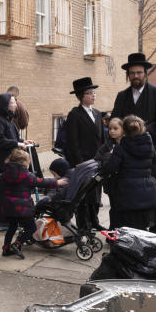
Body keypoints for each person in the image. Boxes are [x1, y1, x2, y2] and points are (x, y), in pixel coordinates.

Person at [111, 52, 156, 234]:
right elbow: (116, 118)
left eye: (139, 72)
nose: (135, 76)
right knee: (126, 191)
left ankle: (155, 228)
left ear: (145, 73)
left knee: (152, 190)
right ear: (128, 75)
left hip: (148, 152)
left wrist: (139, 132)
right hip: (125, 154)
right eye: (132, 73)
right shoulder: (122, 96)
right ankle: (125, 228)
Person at [0, 149, 64, 259]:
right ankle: (17, 244)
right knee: (31, 228)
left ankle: (6, 249)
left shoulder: (5, 174)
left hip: (8, 208)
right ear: (25, 164)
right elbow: (42, 182)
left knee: (12, 228)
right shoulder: (28, 176)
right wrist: (57, 182)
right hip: (23, 210)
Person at [101, 115, 156, 231]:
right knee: (142, 228)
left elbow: (109, 168)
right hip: (148, 191)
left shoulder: (121, 147)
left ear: (124, 131)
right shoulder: (148, 144)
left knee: (128, 229)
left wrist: (108, 156)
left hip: (128, 193)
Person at [63, 77, 105, 230]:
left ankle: (94, 221)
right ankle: (84, 226)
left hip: (98, 161)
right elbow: (72, 142)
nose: (93, 95)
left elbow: (102, 139)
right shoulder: (75, 114)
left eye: (94, 92)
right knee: (84, 195)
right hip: (83, 163)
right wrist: (78, 162)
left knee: (96, 193)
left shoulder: (98, 113)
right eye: (89, 93)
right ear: (80, 96)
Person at [0, 91, 35, 226]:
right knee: (4, 191)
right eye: (12, 102)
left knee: (11, 191)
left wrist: (24, 141)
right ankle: (2, 220)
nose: (15, 105)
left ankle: (10, 217)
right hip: (3, 161)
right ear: (5, 105)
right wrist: (17, 144)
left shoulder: (9, 121)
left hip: (11, 160)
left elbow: (12, 138)